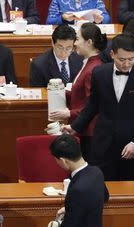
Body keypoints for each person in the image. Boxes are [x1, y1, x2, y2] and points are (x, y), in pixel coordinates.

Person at [64, 34, 134, 181]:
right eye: (122, 59)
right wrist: (76, 126)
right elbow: (92, 106)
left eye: (131, 59)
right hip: (102, 146)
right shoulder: (99, 73)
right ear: (112, 54)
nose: (127, 64)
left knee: (130, 194)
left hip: (131, 148)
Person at [43, 134, 109, 227]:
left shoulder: (78, 188)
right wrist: (71, 207)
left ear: (63, 160)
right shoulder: (96, 172)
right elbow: (104, 196)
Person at [49, 23, 106, 160]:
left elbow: (93, 105)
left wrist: (69, 112)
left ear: (89, 42)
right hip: (83, 128)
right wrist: (57, 90)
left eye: (78, 39)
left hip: (89, 132)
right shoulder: (88, 63)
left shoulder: (93, 68)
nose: (75, 43)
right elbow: (79, 94)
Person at [46, 0, 110, 25]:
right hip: (66, 35)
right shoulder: (58, 1)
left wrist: (100, 20)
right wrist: (63, 18)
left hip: (89, 34)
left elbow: (107, 19)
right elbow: (49, 21)